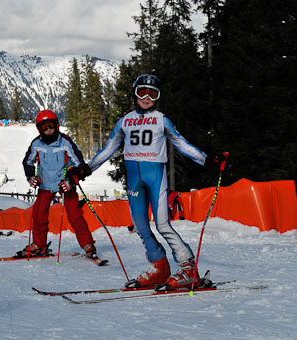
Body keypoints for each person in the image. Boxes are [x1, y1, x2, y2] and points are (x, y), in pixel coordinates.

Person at [73, 74, 207, 289]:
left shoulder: (162, 120)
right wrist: (86, 169)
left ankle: (188, 268)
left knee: (163, 224)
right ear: (134, 94)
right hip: (134, 179)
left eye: (152, 93)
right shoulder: (125, 121)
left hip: (155, 175)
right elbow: (108, 149)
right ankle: (159, 267)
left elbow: (182, 144)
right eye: (141, 92)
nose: (146, 97)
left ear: (158, 97)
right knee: (140, 225)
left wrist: (206, 160)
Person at [19, 109, 96, 259]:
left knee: (74, 215)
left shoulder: (65, 142)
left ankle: (88, 244)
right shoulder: (36, 144)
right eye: (44, 127)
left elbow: (80, 164)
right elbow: (28, 162)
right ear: (39, 129)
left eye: (51, 125)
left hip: (64, 184)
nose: (48, 130)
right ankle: (39, 245)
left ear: (57, 125)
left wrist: (72, 180)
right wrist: (30, 177)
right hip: (45, 185)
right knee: (39, 214)